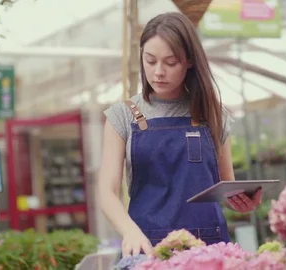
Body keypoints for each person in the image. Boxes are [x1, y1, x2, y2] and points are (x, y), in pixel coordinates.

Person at [98, 12, 262, 258]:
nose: (159, 72)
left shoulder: (214, 114)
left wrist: (241, 200)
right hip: (147, 247)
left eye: (171, 62)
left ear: (190, 61)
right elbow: (106, 192)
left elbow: (225, 184)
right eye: (150, 61)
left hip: (209, 249)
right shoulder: (122, 116)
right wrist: (129, 231)